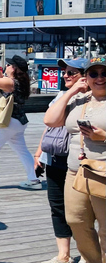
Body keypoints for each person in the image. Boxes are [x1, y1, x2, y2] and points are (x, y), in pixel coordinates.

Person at [43, 56, 106, 263]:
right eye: (93, 74)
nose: (99, 78)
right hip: (76, 171)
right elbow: (50, 120)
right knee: (75, 220)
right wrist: (71, 91)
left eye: (104, 73)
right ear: (86, 77)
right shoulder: (78, 100)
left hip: (103, 172)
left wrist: (102, 137)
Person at [34, 58, 88, 263]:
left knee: (80, 210)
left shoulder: (91, 98)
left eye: (71, 72)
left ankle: (86, 254)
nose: (65, 75)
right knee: (57, 206)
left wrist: (75, 92)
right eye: (64, 71)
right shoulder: (61, 95)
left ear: (84, 75)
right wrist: (39, 153)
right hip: (55, 158)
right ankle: (63, 254)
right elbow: (50, 125)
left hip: (79, 161)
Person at [0, 54, 40, 190]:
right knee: (23, 151)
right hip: (19, 121)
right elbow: (0, 79)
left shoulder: (11, 83)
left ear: (15, 69)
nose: (6, 66)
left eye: (9, 65)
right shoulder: (17, 82)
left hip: (7, 121)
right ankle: (33, 179)